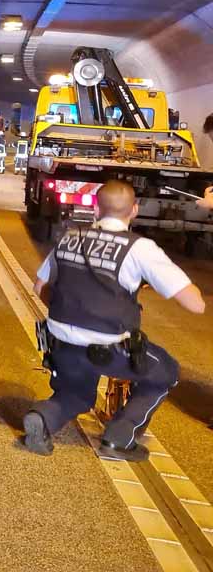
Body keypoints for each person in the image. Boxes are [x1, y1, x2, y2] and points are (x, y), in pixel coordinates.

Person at [23, 180, 207, 461]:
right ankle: (119, 438)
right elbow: (196, 305)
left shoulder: (69, 237)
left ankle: (43, 417)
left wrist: (76, 316)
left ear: (96, 209)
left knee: (78, 394)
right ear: (134, 210)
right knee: (165, 371)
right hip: (110, 350)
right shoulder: (140, 249)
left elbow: (39, 287)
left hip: (61, 345)